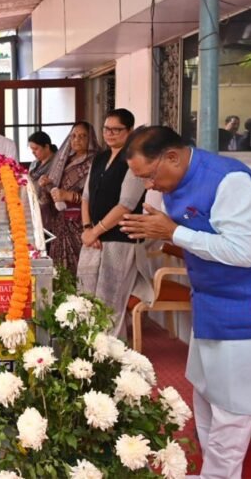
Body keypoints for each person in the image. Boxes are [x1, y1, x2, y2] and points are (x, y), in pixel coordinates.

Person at [119, 125, 251, 479]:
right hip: (211, 306)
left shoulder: (229, 181)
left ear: (172, 157)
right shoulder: (172, 182)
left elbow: (244, 252)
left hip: (249, 310)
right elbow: (191, 236)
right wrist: (159, 233)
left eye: (149, 176)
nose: (149, 185)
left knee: (231, 416)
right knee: (207, 401)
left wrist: (173, 232)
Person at [76, 109, 151, 339]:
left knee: (109, 302)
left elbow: (126, 204)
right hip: (93, 238)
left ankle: (110, 353)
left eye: (116, 130)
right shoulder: (99, 158)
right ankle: (87, 348)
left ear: (129, 131)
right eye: (106, 129)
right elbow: (86, 196)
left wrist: (96, 230)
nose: (109, 133)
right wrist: (87, 229)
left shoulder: (134, 161)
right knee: (85, 297)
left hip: (120, 239)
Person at [44, 121, 100, 274]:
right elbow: (57, 190)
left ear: (91, 138)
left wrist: (69, 196)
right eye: (73, 136)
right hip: (61, 220)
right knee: (60, 270)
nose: (77, 140)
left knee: (81, 267)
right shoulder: (64, 160)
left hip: (82, 221)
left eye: (82, 136)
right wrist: (48, 184)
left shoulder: (96, 162)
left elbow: (98, 196)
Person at [27, 131, 57, 229]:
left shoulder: (57, 164)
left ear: (47, 147)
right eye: (31, 149)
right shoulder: (34, 164)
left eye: (36, 149)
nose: (33, 152)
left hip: (50, 212)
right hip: (34, 208)